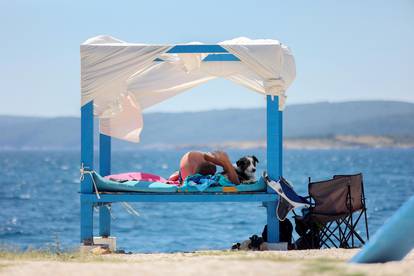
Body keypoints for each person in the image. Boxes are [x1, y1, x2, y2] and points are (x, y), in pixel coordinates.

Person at [168, 151, 240, 184]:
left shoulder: (200, 158)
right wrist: (227, 164)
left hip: (185, 170)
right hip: (186, 170)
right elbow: (236, 182)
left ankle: (177, 174)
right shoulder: (205, 157)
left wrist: (227, 164)